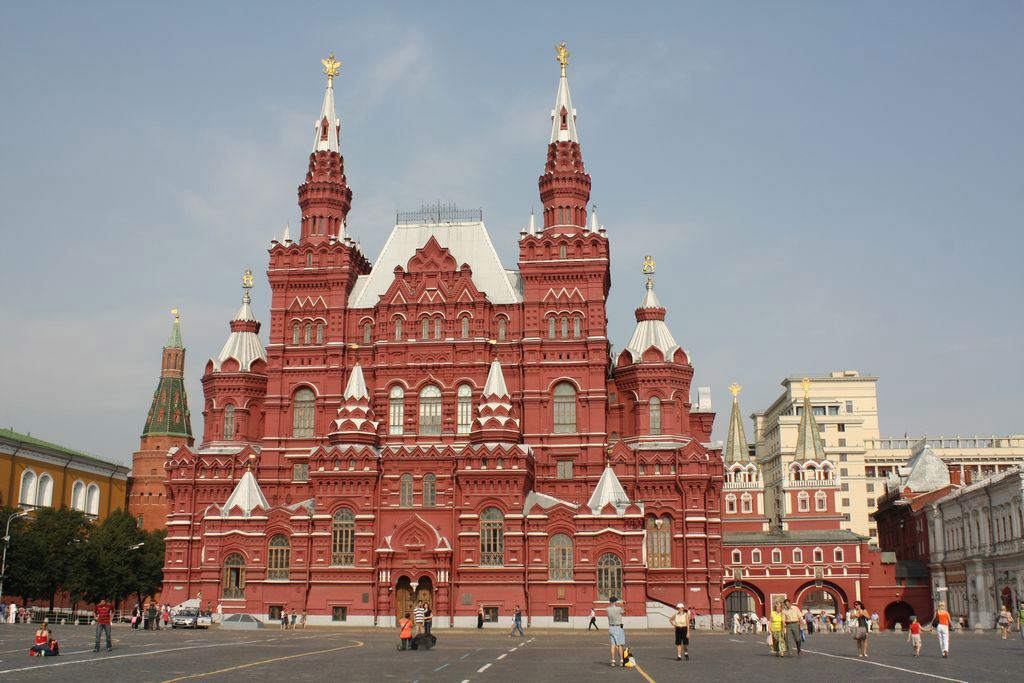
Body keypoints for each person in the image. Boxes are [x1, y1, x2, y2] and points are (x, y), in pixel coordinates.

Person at [606, 597, 626, 667]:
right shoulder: (619, 608)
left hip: (611, 627)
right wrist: (622, 605)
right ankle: (621, 660)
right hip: (618, 627)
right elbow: (624, 613)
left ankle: (613, 661)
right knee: (620, 645)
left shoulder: (608, 609)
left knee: (612, 645)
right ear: (615, 602)